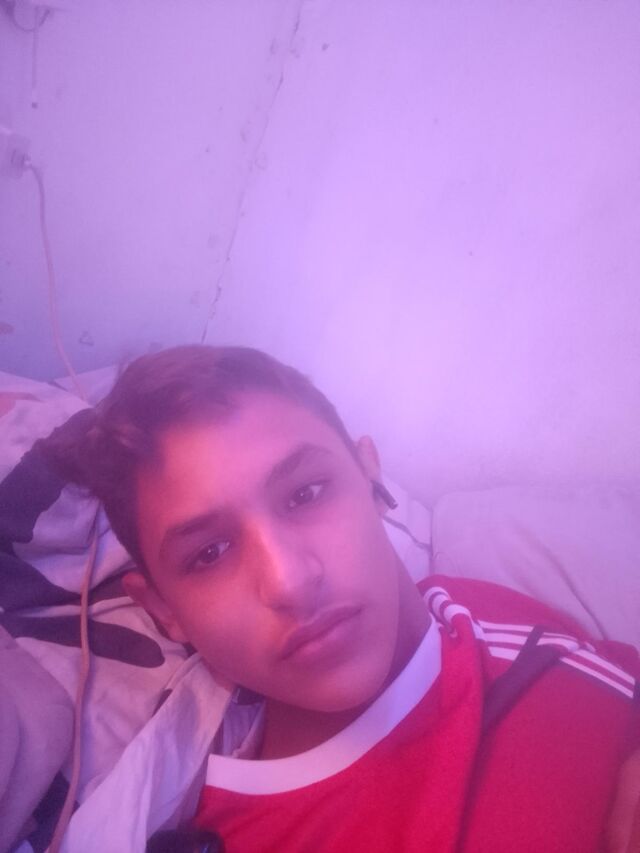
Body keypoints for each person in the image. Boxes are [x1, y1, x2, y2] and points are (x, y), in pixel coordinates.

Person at [54, 345, 640, 852]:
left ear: (372, 481)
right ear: (164, 610)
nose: (289, 582)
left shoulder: (484, 605)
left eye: (306, 493)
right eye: (210, 553)